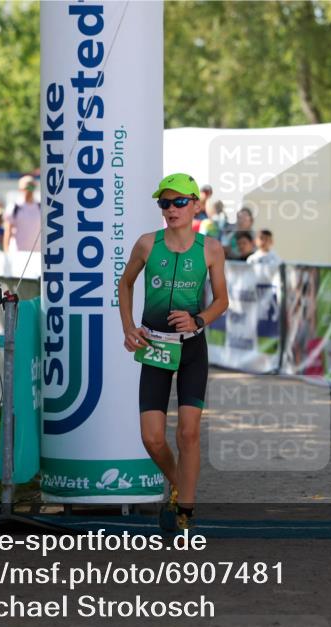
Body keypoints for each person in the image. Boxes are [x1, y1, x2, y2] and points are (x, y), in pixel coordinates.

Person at [118, 173, 229, 532]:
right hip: (154, 347)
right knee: (151, 437)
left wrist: (198, 318)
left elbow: (222, 300)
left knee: (188, 433)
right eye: (164, 203)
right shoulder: (148, 244)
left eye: (179, 202)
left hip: (192, 347)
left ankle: (186, 511)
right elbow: (125, 282)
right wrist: (129, 327)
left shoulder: (210, 248)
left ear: (196, 204)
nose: (171, 209)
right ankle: (180, 480)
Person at [4, 175, 42, 252]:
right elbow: (8, 231)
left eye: (32, 187)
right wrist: (6, 251)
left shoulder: (40, 207)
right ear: (20, 189)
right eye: (27, 187)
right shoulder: (14, 207)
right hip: (17, 253)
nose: (29, 190)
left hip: (37, 253)